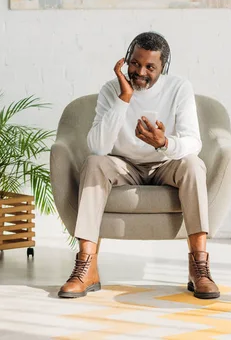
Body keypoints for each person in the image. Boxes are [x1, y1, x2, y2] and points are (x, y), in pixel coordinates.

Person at [58, 31, 219, 300]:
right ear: (127, 60)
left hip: (165, 165)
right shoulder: (112, 90)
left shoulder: (179, 88)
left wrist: (164, 142)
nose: (140, 71)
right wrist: (124, 98)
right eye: (135, 63)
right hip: (124, 165)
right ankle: (86, 268)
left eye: (150, 67)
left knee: (193, 164)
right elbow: (97, 146)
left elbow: (194, 142)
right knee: (94, 163)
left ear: (162, 68)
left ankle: (199, 268)